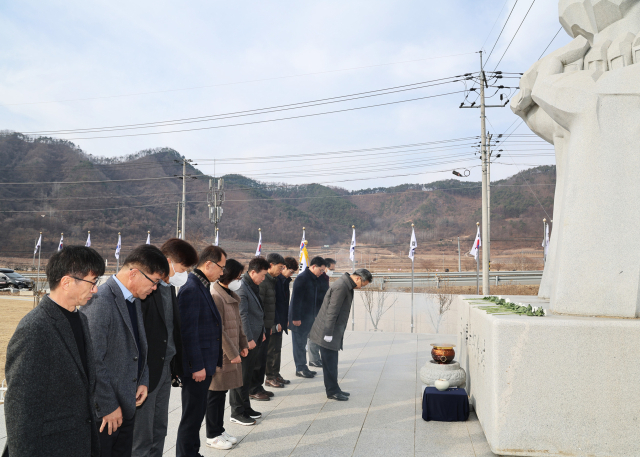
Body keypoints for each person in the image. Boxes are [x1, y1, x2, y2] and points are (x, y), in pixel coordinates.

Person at [4, 246, 104, 457]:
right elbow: (20, 410)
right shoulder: (35, 328)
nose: (95, 290)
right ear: (66, 282)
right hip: (49, 447)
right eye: (92, 282)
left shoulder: (80, 319)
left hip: (80, 443)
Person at [81, 245, 169, 457]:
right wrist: (108, 406)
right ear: (134, 274)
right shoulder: (100, 300)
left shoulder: (133, 299)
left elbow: (139, 346)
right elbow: (92, 360)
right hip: (107, 413)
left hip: (126, 402)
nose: (155, 288)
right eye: (154, 281)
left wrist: (143, 380)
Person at [132, 238, 198, 457]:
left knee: (159, 427)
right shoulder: (145, 291)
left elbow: (173, 329)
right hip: (147, 371)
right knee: (142, 434)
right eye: (182, 268)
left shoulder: (169, 288)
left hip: (165, 367)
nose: (184, 274)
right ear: (168, 262)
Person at [175, 246, 226, 457]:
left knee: (197, 413)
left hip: (205, 363)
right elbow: (188, 333)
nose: (223, 272)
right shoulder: (191, 288)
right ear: (208, 264)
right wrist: (196, 366)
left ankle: (192, 453)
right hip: (198, 367)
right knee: (192, 415)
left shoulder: (202, 286)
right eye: (221, 267)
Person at [309, 269, 372, 401]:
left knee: (332, 362)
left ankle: (335, 388)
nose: (364, 286)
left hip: (331, 331)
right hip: (327, 332)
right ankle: (332, 391)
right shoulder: (341, 287)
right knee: (330, 363)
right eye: (364, 283)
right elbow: (332, 311)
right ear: (358, 278)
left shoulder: (346, 285)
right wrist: (328, 333)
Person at [205, 259, 249, 450]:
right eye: (238, 275)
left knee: (221, 393)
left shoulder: (229, 293)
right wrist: (232, 352)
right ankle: (212, 435)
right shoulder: (215, 295)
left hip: (229, 350)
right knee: (214, 394)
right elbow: (218, 329)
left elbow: (237, 323)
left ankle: (219, 429)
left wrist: (243, 343)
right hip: (221, 353)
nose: (239, 279)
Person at [230, 256, 270, 424]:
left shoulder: (252, 285)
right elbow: (242, 315)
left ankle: (246, 407)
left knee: (247, 377)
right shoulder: (242, 287)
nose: (263, 278)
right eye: (262, 275)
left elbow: (257, 312)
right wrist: (247, 339)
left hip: (256, 335)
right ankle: (237, 412)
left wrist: (261, 331)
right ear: (252, 272)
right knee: (241, 377)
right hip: (247, 340)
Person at [288, 256, 326, 378]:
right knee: (299, 344)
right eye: (321, 270)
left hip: (309, 317)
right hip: (299, 318)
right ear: (313, 266)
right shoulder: (302, 278)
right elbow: (295, 300)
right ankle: (300, 368)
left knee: (303, 342)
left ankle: (304, 367)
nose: (322, 273)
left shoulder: (315, 279)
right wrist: (295, 318)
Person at [265, 256, 298, 386]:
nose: (291, 274)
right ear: (283, 267)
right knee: (271, 350)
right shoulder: (275, 281)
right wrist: (276, 322)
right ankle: (270, 377)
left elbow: (285, 303)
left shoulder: (284, 281)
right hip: (274, 321)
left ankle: (276, 374)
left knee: (277, 350)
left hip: (281, 320)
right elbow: (273, 304)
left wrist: (286, 319)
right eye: (291, 271)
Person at [255, 253, 286, 391]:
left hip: (272, 321)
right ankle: (268, 379)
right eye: (280, 267)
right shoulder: (264, 281)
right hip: (265, 325)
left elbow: (275, 303)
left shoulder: (273, 280)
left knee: (274, 350)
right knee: (267, 353)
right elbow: (261, 306)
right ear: (271, 265)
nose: (281, 271)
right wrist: (271, 324)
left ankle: (272, 376)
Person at [308, 257, 336, 368]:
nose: (332, 271)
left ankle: (316, 358)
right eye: (331, 268)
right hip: (317, 311)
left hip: (322, 309)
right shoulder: (319, 277)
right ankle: (313, 359)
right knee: (313, 335)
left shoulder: (325, 277)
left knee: (319, 335)